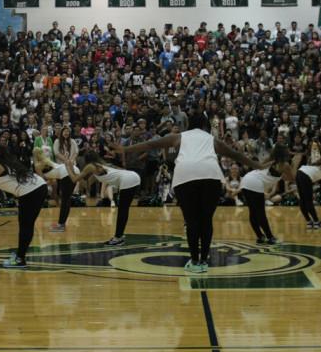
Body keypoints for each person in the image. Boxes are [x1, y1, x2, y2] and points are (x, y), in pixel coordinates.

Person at [111, 112, 261, 274]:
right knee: (206, 220)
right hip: (211, 176)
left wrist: (125, 148)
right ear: (205, 125)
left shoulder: (179, 137)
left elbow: (151, 144)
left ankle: (195, 261)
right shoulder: (211, 139)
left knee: (191, 221)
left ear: (188, 124)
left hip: (185, 175)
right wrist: (256, 165)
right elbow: (236, 154)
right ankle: (204, 260)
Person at [0, 145, 47, 269]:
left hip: (30, 192)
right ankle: (20, 255)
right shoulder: (11, 163)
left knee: (25, 225)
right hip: (40, 186)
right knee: (27, 225)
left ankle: (20, 259)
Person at [66, 151, 141, 245]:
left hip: (127, 179)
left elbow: (74, 179)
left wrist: (68, 167)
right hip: (134, 176)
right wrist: (77, 175)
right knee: (123, 210)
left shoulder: (90, 166)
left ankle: (118, 238)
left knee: (123, 210)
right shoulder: (101, 166)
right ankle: (119, 235)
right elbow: (86, 185)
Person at [240, 145, 296, 244]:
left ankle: (260, 236)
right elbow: (292, 179)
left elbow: (262, 170)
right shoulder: (285, 165)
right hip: (255, 183)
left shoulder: (268, 160)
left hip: (245, 181)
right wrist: (294, 164)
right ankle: (270, 237)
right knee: (260, 213)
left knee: (253, 212)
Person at [295, 147, 321, 230]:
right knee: (307, 200)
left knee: (303, 200)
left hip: (300, 173)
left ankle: (309, 222)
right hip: (304, 176)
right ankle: (316, 222)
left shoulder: (320, 165)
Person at [50, 126, 78, 232]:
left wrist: (70, 160)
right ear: (61, 133)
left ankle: (61, 224)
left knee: (66, 197)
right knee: (65, 197)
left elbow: (76, 153)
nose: (66, 133)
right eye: (64, 131)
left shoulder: (73, 141)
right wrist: (66, 160)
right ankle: (62, 223)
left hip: (71, 169)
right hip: (61, 169)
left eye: (67, 131)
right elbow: (56, 153)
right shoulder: (57, 141)